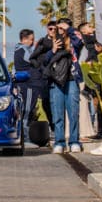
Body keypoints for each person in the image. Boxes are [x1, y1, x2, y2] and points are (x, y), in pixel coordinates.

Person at [31, 21, 82, 153]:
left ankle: (74, 141)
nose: (58, 30)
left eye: (61, 27)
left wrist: (68, 29)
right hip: (55, 81)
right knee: (57, 113)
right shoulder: (49, 42)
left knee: (73, 112)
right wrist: (52, 50)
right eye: (56, 28)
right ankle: (59, 142)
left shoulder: (72, 42)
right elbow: (44, 62)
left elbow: (80, 42)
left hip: (71, 80)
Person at [13, 28, 46, 148]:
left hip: (23, 85)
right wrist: (39, 48)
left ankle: (23, 137)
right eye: (31, 40)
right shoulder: (23, 50)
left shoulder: (17, 49)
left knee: (25, 111)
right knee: (27, 111)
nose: (32, 42)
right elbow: (34, 59)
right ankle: (25, 138)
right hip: (29, 85)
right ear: (24, 39)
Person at [75, 21, 102, 141]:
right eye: (89, 27)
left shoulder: (91, 37)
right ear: (84, 31)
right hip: (93, 65)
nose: (92, 28)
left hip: (99, 68)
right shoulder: (87, 37)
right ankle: (101, 130)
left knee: (101, 103)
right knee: (98, 101)